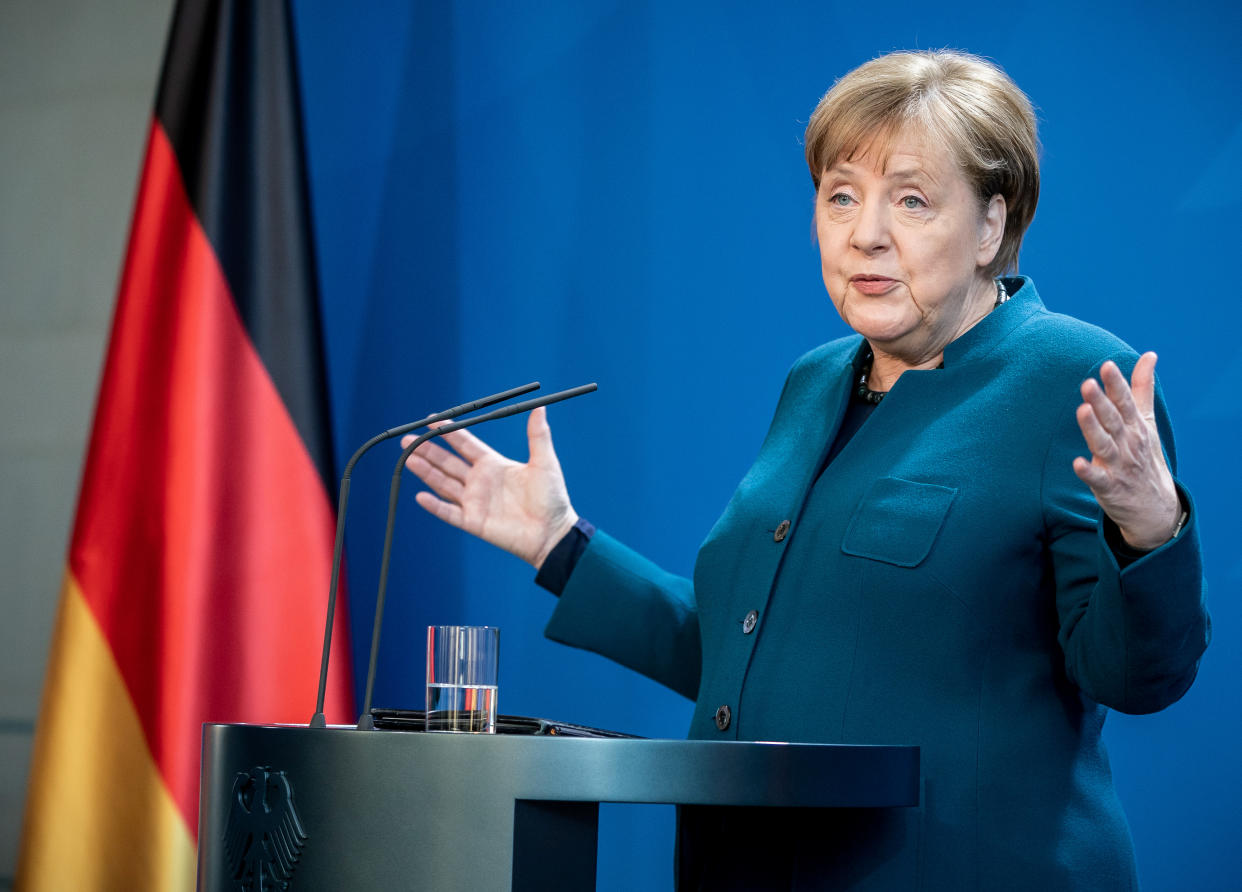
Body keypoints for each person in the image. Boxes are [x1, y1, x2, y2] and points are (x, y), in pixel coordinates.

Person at [402, 50, 1209, 890]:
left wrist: (1148, 530)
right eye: (841, 196)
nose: (866, 233)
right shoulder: (815, 381)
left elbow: (1136, 675)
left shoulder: (1070, 380)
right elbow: (747, 660)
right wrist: (559, 544)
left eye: (912, 200)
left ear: (990, 228)